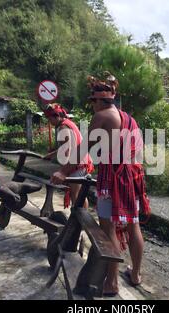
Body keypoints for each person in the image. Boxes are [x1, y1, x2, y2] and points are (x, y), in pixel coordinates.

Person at [50, 75, 151, 297]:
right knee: (134, 225)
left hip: (114, 178)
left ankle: (112, 282)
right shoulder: (129, 118)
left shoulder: (101, 116)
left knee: (109, 229)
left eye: (92, 102)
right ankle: (135, 274)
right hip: (133, 177)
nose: (92, 106)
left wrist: (62, 171)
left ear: (98, 102)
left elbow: (82, 148)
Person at [42, 103, 94, 208]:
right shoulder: (69, 123)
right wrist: (51, 155)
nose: (50, 122)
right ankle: (81, 218)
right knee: (80, 194)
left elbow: (67, 150)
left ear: (56, 116)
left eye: (50, 118)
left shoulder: (62, 128)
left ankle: (79, 220)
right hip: (82, 161)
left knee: (76, 195)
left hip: (77, 164)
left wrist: (64, 170)